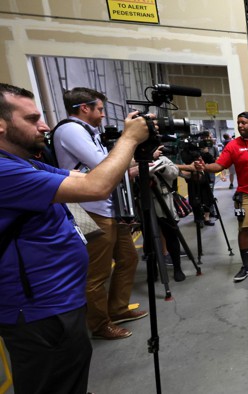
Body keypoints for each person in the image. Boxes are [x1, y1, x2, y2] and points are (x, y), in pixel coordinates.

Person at [0, 82, 150, 393]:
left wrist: (127, 156)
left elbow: (84, 177)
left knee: (69, 378)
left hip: (59, 302)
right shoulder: (4, 171)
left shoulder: (22, 162)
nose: (44, 126)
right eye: (31, 119)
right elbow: (95, 186)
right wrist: (130, 139)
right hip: (38, 310)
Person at [52, 87, 148, 340]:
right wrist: (130, 139)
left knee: (128, 258)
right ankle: (99, 324)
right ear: (85, 108)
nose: (103, 115)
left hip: (108, 207)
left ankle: (117, 309)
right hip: (90, 210)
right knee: (97, 272)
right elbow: (103, 165)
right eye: (100, 109)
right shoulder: (70, 130)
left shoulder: (88, 132)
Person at [200, 111, 248, 282]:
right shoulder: (233, 145)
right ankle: (246, 266)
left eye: (244, 122)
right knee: (244, 229)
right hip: (246, 194)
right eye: (238, 123)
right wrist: (205, 167)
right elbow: (219, 165)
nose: (240, 125)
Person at [150, 145, 198, 282]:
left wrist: (159, 164)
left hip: (164, 202)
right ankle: (152, 270)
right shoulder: (135, 160)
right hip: (146, 202)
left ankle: (177, 268)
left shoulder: (163, 159)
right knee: (149, 240)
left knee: (171, 236)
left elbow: (173, 173)